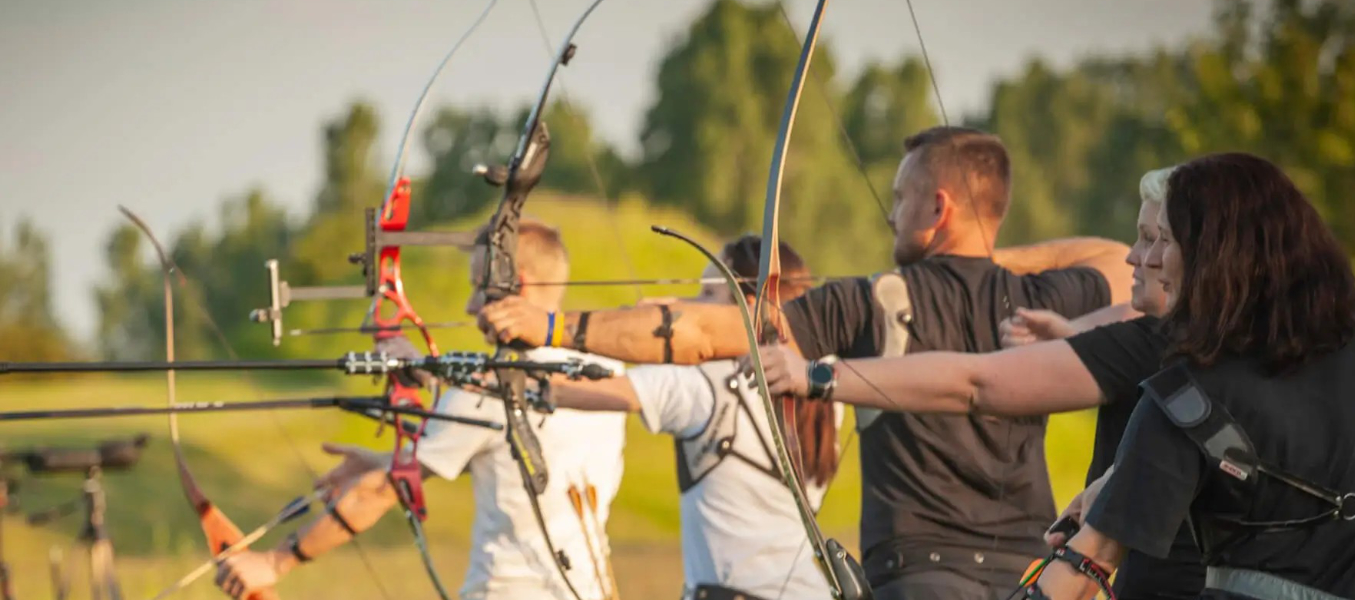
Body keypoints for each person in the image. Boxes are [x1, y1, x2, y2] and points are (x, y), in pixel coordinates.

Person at [478, 126, 1134, 599]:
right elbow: (1116, 259)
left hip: (922, 577)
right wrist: (990, 259)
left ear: (939, 209)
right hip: (1033, 575)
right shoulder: (1046, 298)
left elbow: (709, 334)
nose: (891, 216)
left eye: (902, 200)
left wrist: (556, 325)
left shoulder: (873, 301)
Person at [758, 166, 1206, 599]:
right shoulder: (1230, 349)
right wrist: (1072, 338)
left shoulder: (1156, 343)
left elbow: (975, 382)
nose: (1135, 255)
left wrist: (815, 375)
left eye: (1154, 240)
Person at [215, 220, 629, 600]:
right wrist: (384, 455)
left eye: (477, 287)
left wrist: (273, 562)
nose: (469, 306)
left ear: (516, 285)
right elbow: (522, 452)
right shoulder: (608, 375)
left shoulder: (487, 390)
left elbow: (380, 493)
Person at [541, 234, 841, 600]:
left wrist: (517, 347)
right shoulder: (820, 383)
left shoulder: (706, 384)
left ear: (747, 310)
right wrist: (666, 314)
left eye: (708, 297)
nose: (695, 305)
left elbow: (566, 388)